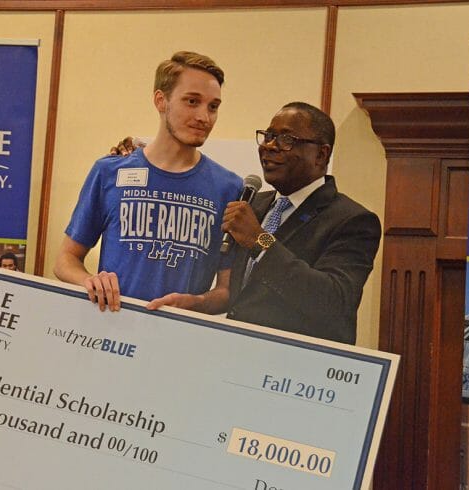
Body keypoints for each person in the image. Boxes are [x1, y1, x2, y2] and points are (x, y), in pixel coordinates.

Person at [149, 102, 381, 343]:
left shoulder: (353, 221)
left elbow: (333, 302)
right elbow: (243, 294)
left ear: (321, 155)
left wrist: (259, 241)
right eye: (268, 136)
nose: (269, 146)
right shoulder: (254, 205)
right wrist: (198, 304)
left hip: (298, 360)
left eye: (286, 139)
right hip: (239, 352)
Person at [54, 51, 242, 313]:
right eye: (192, 101)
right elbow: (65, 259)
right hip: (112, 326)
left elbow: (226, 291)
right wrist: (89, 281)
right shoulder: (109, 172)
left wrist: (197, 303)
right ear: (161, 100)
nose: (204, 117)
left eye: (213, 106)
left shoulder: (229, 187)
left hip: (182, 333)